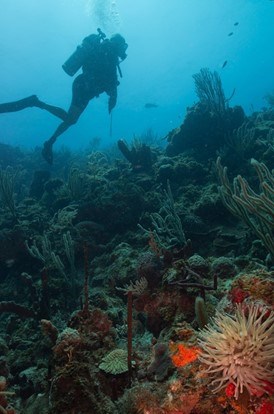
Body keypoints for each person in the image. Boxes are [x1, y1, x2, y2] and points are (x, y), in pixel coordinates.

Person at [0, 31, 128, 164]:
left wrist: (112, 95)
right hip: (84, 87)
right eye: (122, 46)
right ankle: (37, 104)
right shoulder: (110, 55)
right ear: (117, 44)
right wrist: (113, 98)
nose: (123, 50)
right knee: (70, 119)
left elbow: (108, 82)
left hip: (85, 88)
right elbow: (110, 84)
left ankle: (49, 142)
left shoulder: (105, 52)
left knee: (70, 120)